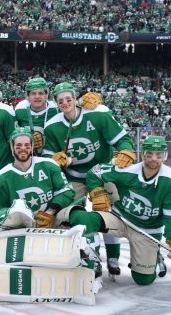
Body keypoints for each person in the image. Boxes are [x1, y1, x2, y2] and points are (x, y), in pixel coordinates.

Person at [57, 136, 171, 286]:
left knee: (143, 280)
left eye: (159, 155)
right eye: (149, 154)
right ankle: (92, 261)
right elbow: (95, 172)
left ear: (165, 156)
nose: (153, 159)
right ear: (142, 154)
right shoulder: (129, 170)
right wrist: (97, 191)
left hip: (147, 230)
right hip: (120, 218)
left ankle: (155, 258)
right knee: (83, 218)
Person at [43, 83, 136, 277]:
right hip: (74, 176)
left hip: (102, 173)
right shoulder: (52, 126)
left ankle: (113, 257)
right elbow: (48, 159)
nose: (65, 103)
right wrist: (55, 160)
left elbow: (122, 139)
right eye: (61, 101)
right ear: (56, 104)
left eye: (68, 99)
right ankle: (92, 255)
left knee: (109, 213)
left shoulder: (98, 114)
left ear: (75, 98)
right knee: (73, 215)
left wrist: (126, 150)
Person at [0, 127, 74, 227]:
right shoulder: (1, 177)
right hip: (21, 226)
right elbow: (0, 211)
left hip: (52, 218)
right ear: (12, 147)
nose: (23, 148)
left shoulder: (49, 165)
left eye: (27, 145)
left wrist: (49, 213)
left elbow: (66, 192)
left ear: (32, 146)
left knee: (77, 215)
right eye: (18, 145)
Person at [13, 77, 55, 155]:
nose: (37, 96)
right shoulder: (20, 110)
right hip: (27, 156)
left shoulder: (55, 110)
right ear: (28, 96)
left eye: (41, 93)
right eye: (33, 93)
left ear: (46, 95)